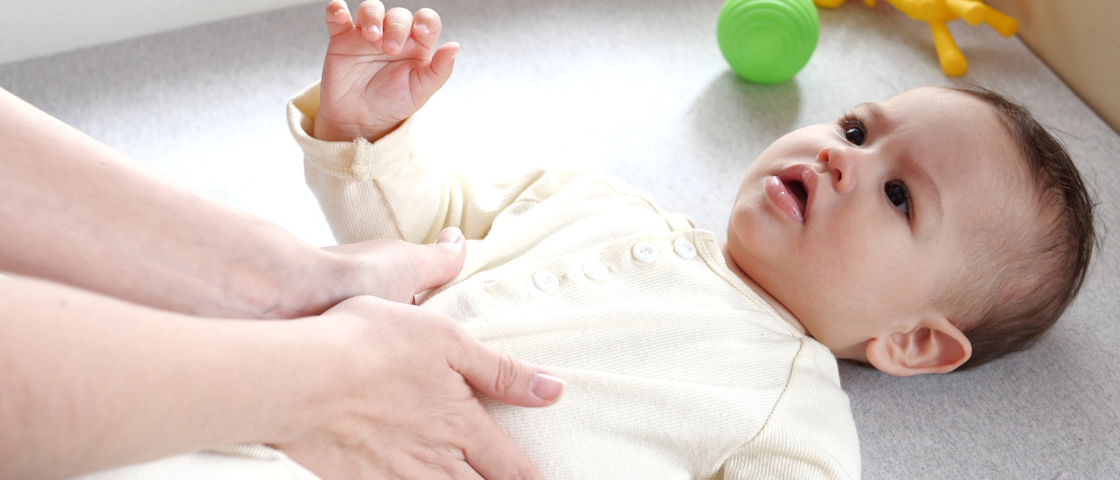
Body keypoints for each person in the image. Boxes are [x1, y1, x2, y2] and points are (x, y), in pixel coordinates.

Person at [58, 0, 1098, 478]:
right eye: (858, 127)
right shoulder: (597, 199)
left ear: (914, 341)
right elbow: (417, 235)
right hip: (261, 385)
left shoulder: (788, 412)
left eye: (899, 196)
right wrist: (371, 131)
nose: (841, 156)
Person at [0, 51, 565, 480]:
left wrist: (298, 282)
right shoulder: (588, 200)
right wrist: (366, 146)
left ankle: (278, 284)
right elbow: (437, 229)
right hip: (247, 398)